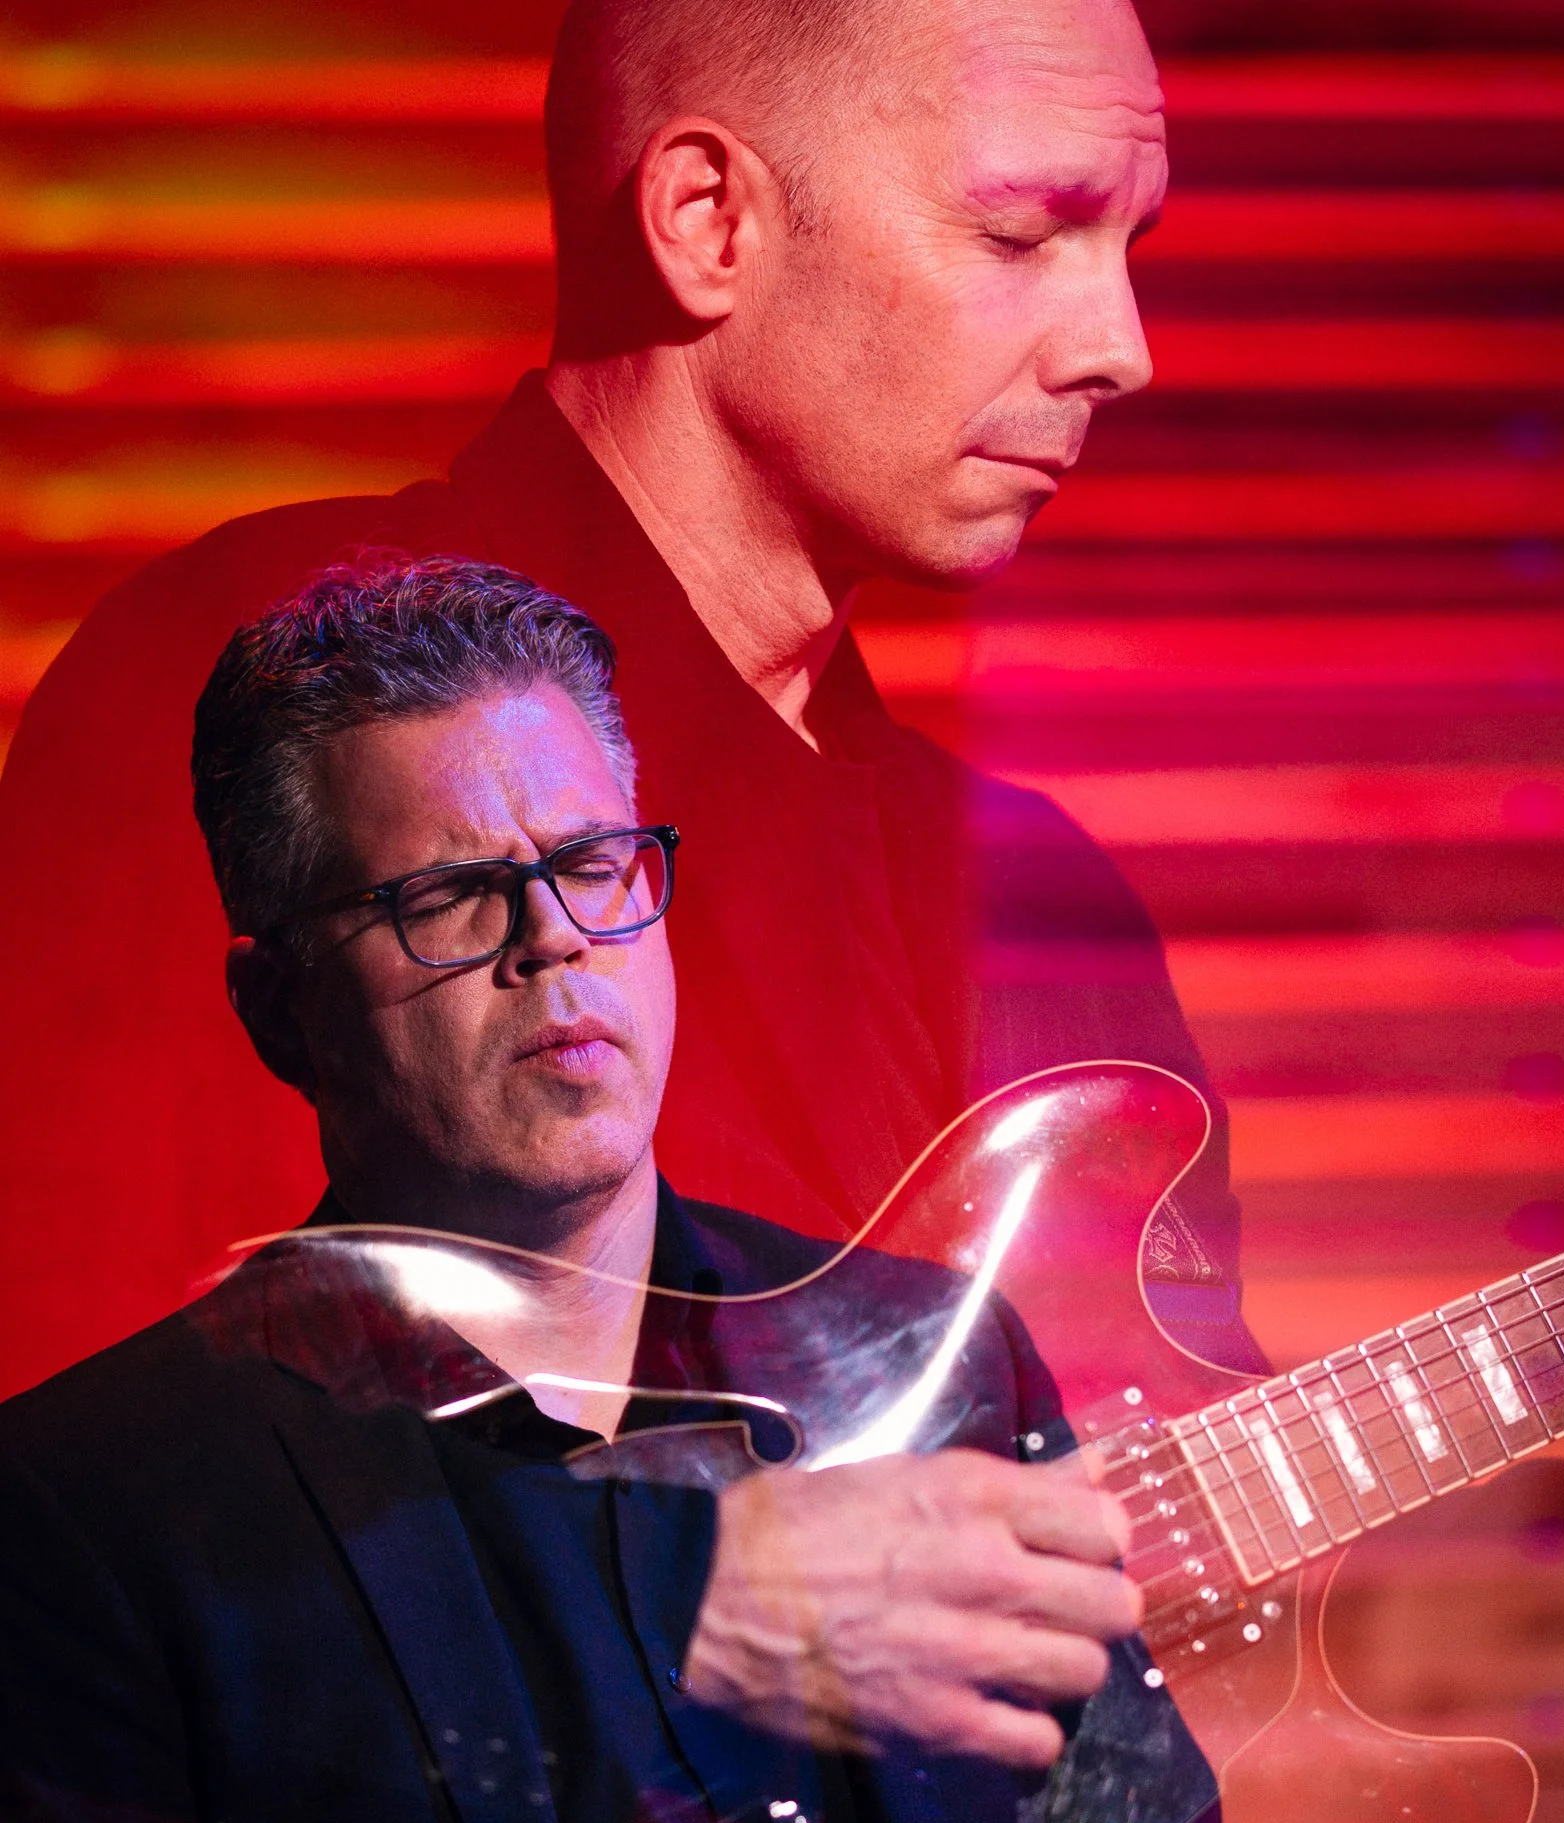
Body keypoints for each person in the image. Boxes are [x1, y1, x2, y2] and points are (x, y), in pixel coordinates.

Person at [0, 560, 1316, 1823]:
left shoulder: (939, 1362)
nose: (552, 936)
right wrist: (684, 1621)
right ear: (277, 1009)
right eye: (445, 897)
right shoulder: (84, 1511)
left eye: (591, 862)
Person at [0, 0, 1252, 1385]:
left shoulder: (1045, 903)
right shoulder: (243, 672)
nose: (1121, 348)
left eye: (1127, 246)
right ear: (708, 220)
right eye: (1019, 234)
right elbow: (87, 1429)